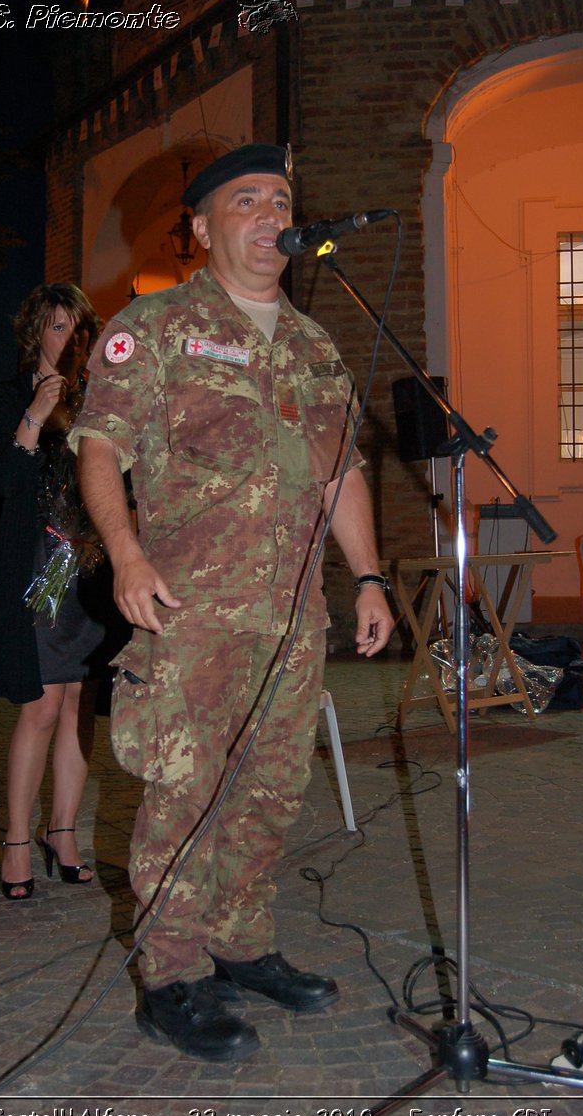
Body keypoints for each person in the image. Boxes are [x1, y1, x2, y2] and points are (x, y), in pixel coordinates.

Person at [70, 144, 395, 1061]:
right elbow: (100, 445)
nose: (268, 213)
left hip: (292, 624)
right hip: (191, 611)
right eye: (244, 200)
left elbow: (341, 473)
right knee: (185, 792)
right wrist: (126, 555)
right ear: (205, 228)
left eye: (281, 198)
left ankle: (244, 944)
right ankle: (171, 974)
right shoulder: (157, 325)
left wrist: (368, 576)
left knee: (270, 792)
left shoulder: (313, 344)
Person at [0, 282, 119, 901]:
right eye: (59, 327)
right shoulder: (11, 397)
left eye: (78, 329)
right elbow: (4, 482)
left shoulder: (99, 401)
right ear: (36, 332)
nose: (70, 339)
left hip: (88, 572)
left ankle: (61, 832)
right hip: (38, 570)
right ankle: (16, 838)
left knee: (76, 706)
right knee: (40, 705)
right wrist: (36, 416)